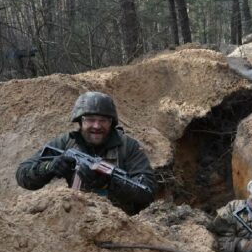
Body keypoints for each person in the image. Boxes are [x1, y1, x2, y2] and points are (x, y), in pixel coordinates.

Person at [16, 91, 156, 215]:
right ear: (80, 121)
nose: (96, 126)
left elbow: (148, 191)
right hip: (76, 221)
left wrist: (109, 183)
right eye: (90, 120)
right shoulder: (66, 142)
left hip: (120, 225)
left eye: (103, 120)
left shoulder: (127, 146)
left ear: (111, 123)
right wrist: (49, 167)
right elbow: (22, 174)